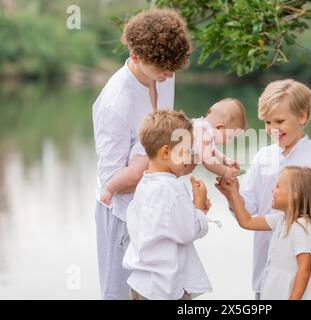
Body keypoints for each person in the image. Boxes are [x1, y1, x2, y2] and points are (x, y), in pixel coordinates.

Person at [92, 8, 191, 299]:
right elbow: (112, 180)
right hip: (123, 214)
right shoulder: (114, 104)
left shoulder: (164, 73)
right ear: (135, 56)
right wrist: (168, 167)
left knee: (170, 292)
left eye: (173, 68)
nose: (170, 75)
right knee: (119, 294)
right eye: (163, 69)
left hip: (160, 205)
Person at [219, 79, 311, 300]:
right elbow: (248, 210)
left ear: (302, 117)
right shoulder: (263, 157)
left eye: (279, 121)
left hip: (306, 277)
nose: (272, 129)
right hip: (267, 275)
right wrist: (232, 193)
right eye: (267, 122)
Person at [123, 110, 212, 300]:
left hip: (141, 284)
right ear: (165, 152)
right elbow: (187, 231)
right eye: (185, 151)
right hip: (163, 290)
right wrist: (198, 209)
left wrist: (196, 211)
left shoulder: (145, 184)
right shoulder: (173, 188)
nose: (189, 157)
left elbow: (168, 225)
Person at [99, 97, 247, 206]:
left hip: (163, 153)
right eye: (231, 137)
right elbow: (207, 159)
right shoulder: (204, 133)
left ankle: (120, 192)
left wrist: (225, 159)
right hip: (154, 148)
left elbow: (211, 151)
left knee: (142, 179)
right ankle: (109, 188)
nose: (229, 141)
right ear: (220, 127)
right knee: (134, 173)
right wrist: (225, 172)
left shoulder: (203, 127)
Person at [216, 166, 311, 299]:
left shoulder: (302, 227)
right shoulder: (281, 219)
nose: (272, 190)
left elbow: (304, 270)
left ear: (295, 193)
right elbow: (246, 222)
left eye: (277, 186)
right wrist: (232, 194)